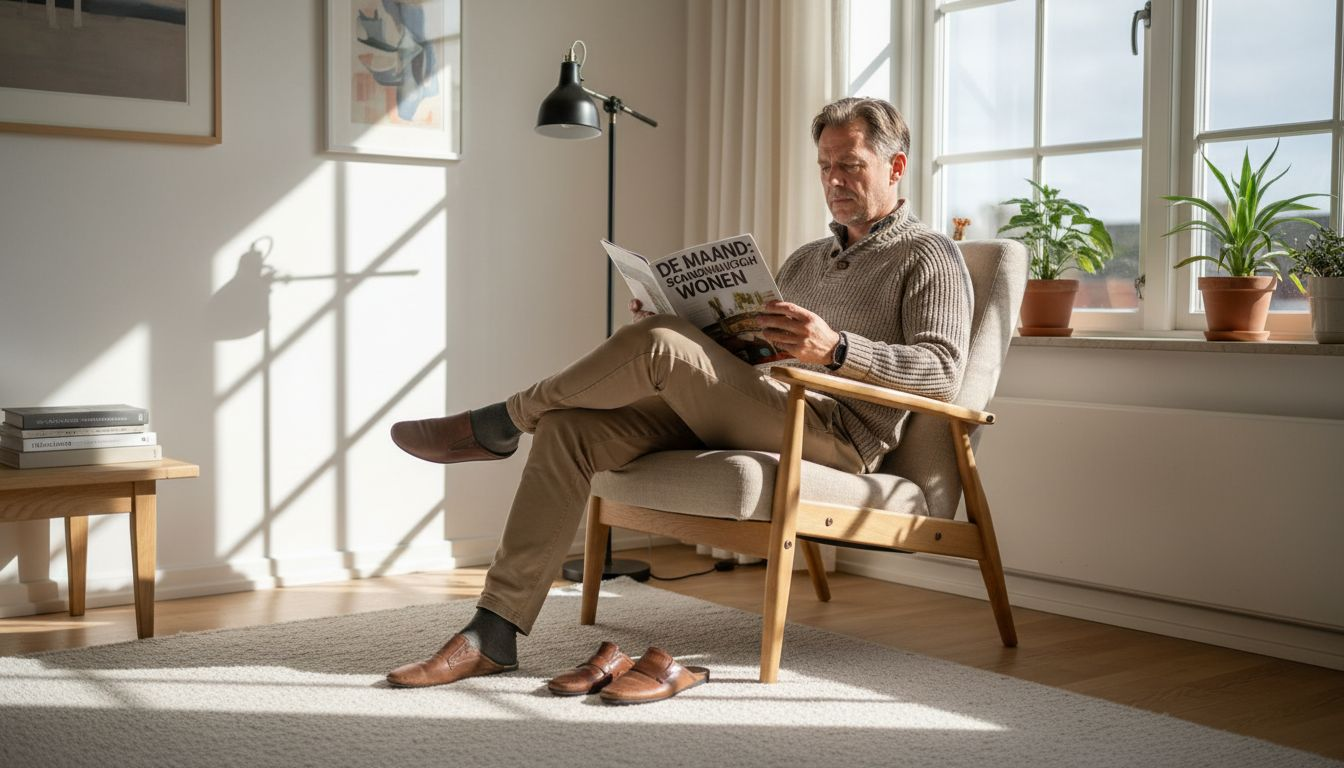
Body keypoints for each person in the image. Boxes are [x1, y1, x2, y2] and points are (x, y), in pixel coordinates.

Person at [383, 96, 971, 688]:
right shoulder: (806, 260)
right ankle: (494, 632)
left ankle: (501, 422)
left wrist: (839, 350)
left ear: (895, 167)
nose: (834, 181)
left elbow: (943, 370)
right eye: (824, 166)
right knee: (572, 426)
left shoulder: (930, 255)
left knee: (656, 343)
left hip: (833, 436)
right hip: (762, 407)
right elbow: (759, 357)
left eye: (851, 165)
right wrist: (690, 320)